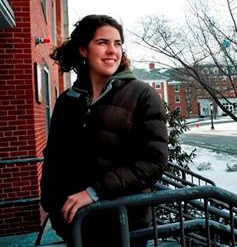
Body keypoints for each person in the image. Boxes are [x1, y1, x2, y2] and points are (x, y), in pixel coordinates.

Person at [40, 14, 168, 246]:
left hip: (126, 225)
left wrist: (94, 192)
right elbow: (54, 159)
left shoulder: (142, 96)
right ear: (83, 50)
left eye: (117, 43)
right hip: (78, 227)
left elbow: (153, 161)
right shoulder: (67, 101)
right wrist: (54, 209)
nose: (113, 50)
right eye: (103, 43)